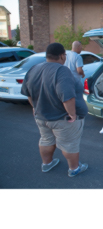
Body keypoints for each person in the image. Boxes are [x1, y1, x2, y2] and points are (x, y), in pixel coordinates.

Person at [21, 43, 88, 177]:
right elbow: (67, 97)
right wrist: (72, 114)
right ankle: (74, 168)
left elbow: (27, 93)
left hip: (41, 117)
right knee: (69, 144)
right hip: (62, 119)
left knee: (46, 140)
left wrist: (34, 107)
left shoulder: (34, 69)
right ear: (62, 56)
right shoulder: (61, 71)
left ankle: (47, 164)